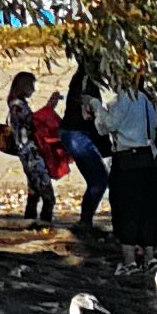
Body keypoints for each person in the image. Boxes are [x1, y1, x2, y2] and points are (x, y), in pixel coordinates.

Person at [96, 64, 157, 267]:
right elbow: (152, 129)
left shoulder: (123, 99)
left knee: (126, 209)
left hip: (126, 158)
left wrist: (96, 106)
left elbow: (107, 126)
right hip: (147, 157)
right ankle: (150, 256)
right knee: (146, 209)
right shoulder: (146, 100)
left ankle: (129, 261)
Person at [57, 56, 111, 229]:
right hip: (76, 133)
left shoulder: (82, 79)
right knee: (99, 180)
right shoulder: (86, 80)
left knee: (98, 180)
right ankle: (85, 221)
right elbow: (87, 112)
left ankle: (86, 220)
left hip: (76, 133)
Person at [4, 70, 55, 224]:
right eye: (31, 85)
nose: (33, 89)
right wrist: (49, 108)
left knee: (34, 191)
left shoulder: (16, 104)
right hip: (30, 152)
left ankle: (31, 221)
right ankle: (44, 224)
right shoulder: (17, 106)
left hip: (26, 152)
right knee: (47, 195)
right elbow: (34, 123)